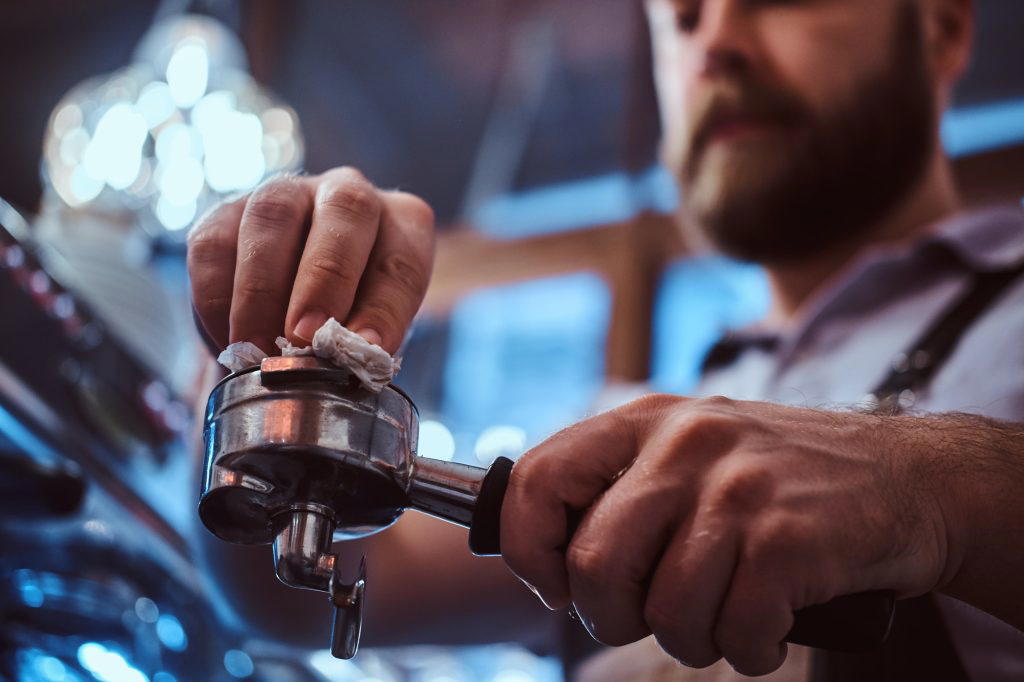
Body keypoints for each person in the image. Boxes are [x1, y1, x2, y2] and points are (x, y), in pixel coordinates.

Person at [187, 0, 1024, 678]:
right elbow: (296, 595)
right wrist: (255, 352)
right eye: (685, 18)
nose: (717, 42)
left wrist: (935, 489)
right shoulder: (621, 432)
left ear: (940, 28)